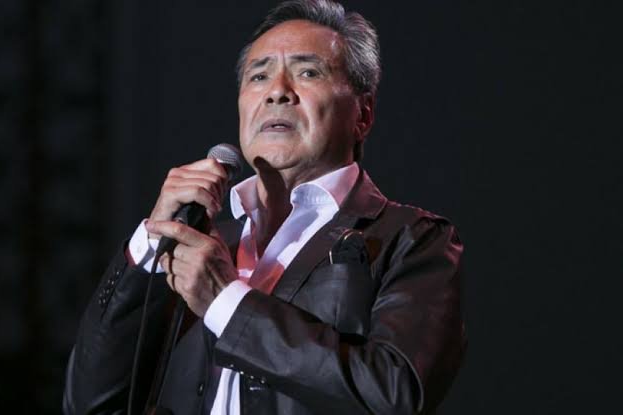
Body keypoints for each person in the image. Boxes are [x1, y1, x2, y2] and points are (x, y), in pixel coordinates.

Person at [62, 1, 466, 414]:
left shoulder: (411, 240)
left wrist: (226, 301)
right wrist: (151, 244)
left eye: (308, 73)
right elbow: (91, 403)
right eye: (259, 76)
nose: (277, 91)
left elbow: (394, 393)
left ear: (363, 114)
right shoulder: (200, 248)